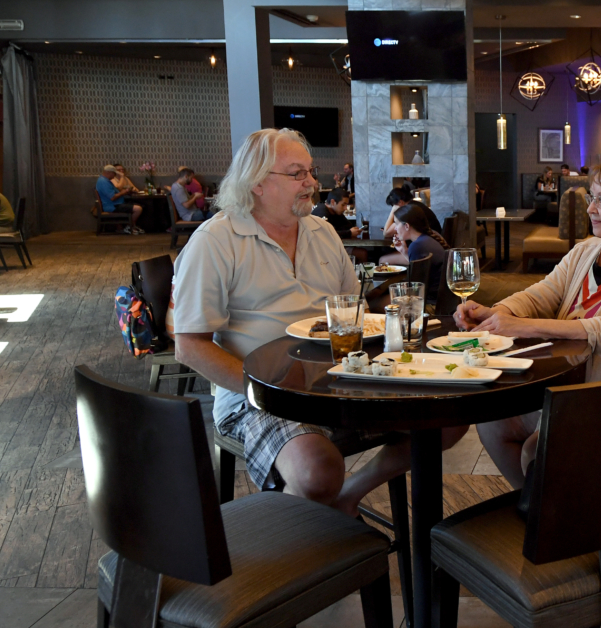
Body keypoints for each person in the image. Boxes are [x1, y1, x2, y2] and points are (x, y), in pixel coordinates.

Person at [172, 128, 465, 515]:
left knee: (448, 418)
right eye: (297, 174)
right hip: (257, 397)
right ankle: (302, 555)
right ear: (257, 182)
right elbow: (189, 344)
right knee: (317, 471)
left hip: (338, 382)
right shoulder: (217, 241)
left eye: (311, 172)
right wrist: (266, 387)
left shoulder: (322, 232)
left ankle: (348, 496)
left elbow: (355, 311)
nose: (312, 183)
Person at [454, 157, 601, 488]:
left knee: (540, 445)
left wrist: (524, 327)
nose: (590, 209)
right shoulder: (587, 251)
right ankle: (540, 516)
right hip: (572, 391)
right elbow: (540, 294)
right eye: (592, 198)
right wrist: (497, 311)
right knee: (493, 424)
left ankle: (560, 523)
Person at [390, 203, 448, 303]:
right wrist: (404, 251)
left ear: (407, 226)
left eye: (396, 223)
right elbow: (419, 274)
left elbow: (414, 288)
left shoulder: (417, 246)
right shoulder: (430, 236)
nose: (395, 228)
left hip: (430, 304)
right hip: (441, 300)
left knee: (374, 303)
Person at [96, 165, 143, 234]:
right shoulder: (103, 182)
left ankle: (131, 226)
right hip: (113, 206)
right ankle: (129, 227)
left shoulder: (104, 180)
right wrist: (122, 192)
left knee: (140, 205)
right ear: (109, 172)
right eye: (114, 173)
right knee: (138, 209)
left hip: (115, 204)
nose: (114, 176)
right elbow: (112, 197)